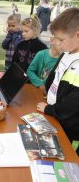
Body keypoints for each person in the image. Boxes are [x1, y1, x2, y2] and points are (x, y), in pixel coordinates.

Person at [36, 8, 79, 149]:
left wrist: (50, 109)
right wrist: (49, 95)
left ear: (77, 35)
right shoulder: (66, 53)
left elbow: (74, 103)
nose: (57, 43)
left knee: (65, 155)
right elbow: (55, 78)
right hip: (54, 114)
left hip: (70, 127)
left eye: (61, 39)